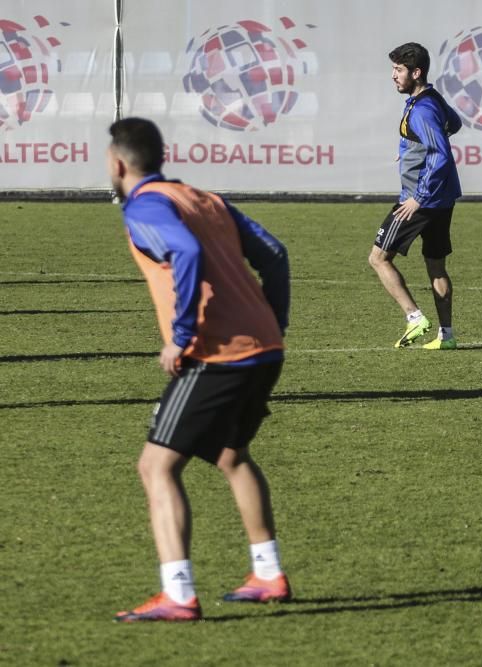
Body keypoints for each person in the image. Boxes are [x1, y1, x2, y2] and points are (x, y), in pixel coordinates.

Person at [108, 118, 292, 622]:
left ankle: (178, 593)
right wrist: (272, 325)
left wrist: (182, 335)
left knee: (156, 466)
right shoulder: (204, 197)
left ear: (117, 163)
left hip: (217, 354)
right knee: (232, 455)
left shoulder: (144, 205)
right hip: (264, 350)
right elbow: (275, 255)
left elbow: (183, 251)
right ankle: (268, 573)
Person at [369, 42, 462, 350]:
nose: (393, 76)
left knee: (378, 258)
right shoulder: (430, 97)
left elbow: (441, 155)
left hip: (418, 200)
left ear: (416, 72)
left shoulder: (422, 109)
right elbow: (455, 124)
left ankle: (414, 317)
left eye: (398, 70)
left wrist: (419, 197)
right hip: (443, 199)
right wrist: (412, 150)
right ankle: (446, 337)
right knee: (436, 265)